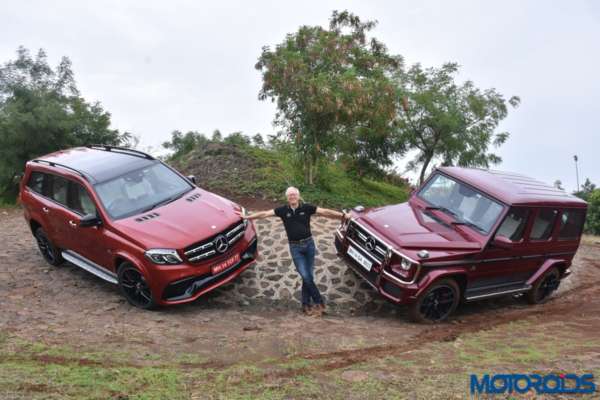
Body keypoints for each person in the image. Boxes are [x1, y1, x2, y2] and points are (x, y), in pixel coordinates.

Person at [237, 187, 350, 317]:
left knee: (307, 277)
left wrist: (342, 215)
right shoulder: (282, 210)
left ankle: (305, 305)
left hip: (309, 245)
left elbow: (325, 212)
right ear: (287, 198)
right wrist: (247, 216)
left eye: (294, 194)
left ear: (298, 196)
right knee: (306, 276)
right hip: (295, 248)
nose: (292, 197)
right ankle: (319, 302)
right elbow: (264, 214)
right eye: (290, 195)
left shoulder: (306, 208)